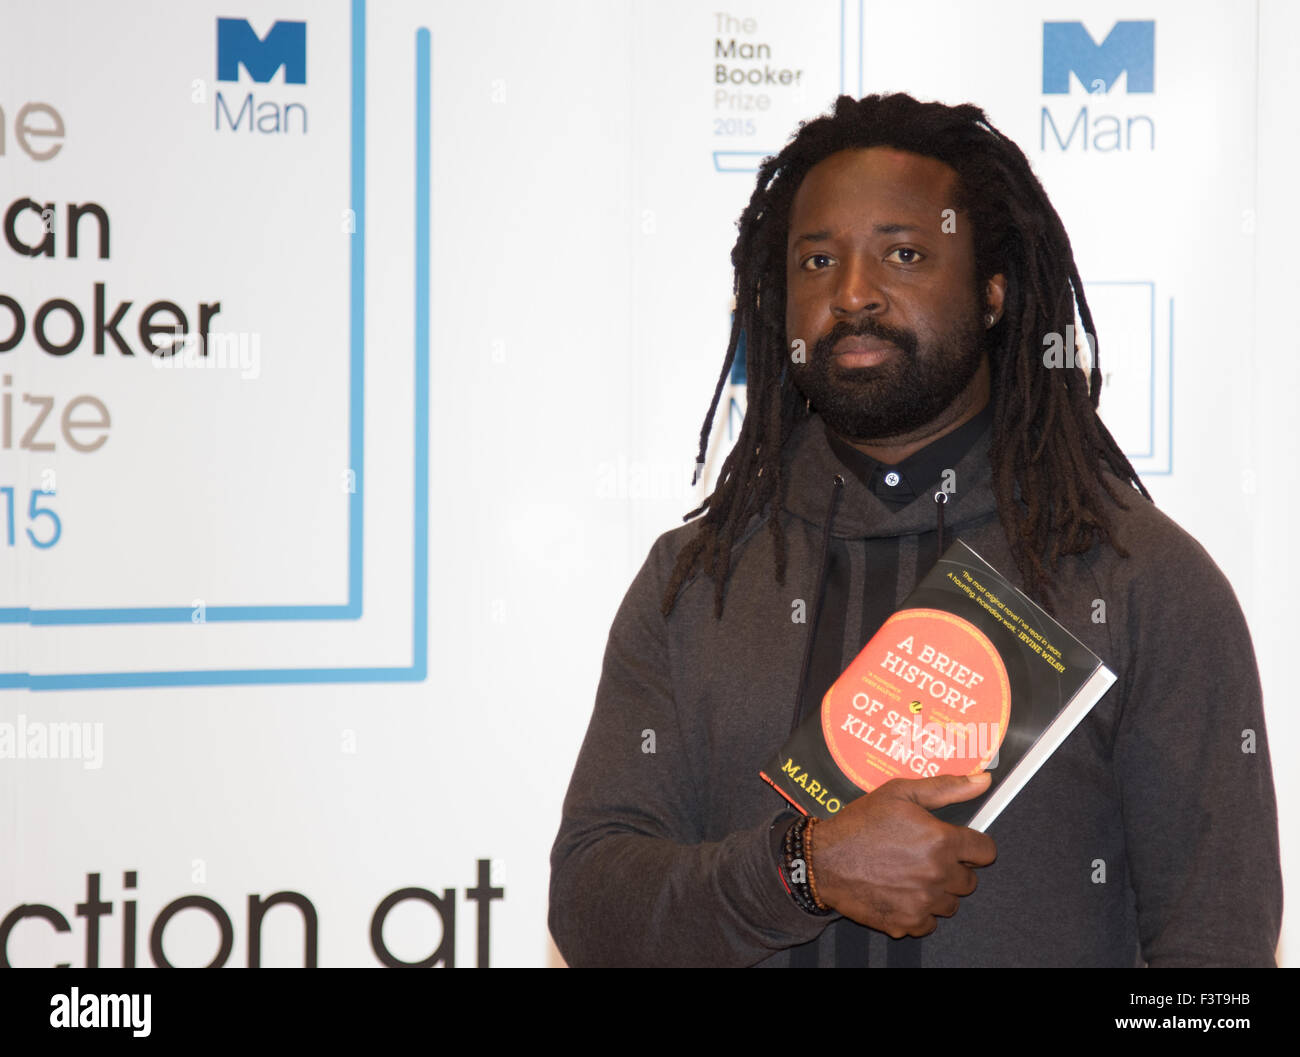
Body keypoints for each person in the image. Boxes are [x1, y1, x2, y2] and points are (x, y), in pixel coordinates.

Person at [548, 93, 1282, 967]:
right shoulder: (694, 582)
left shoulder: (1137, 579)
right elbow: (591, 904)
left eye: (903, 253)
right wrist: (803, 868)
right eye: (817, 261)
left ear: (993, 294)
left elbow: (1218, 969)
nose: (852, 294)